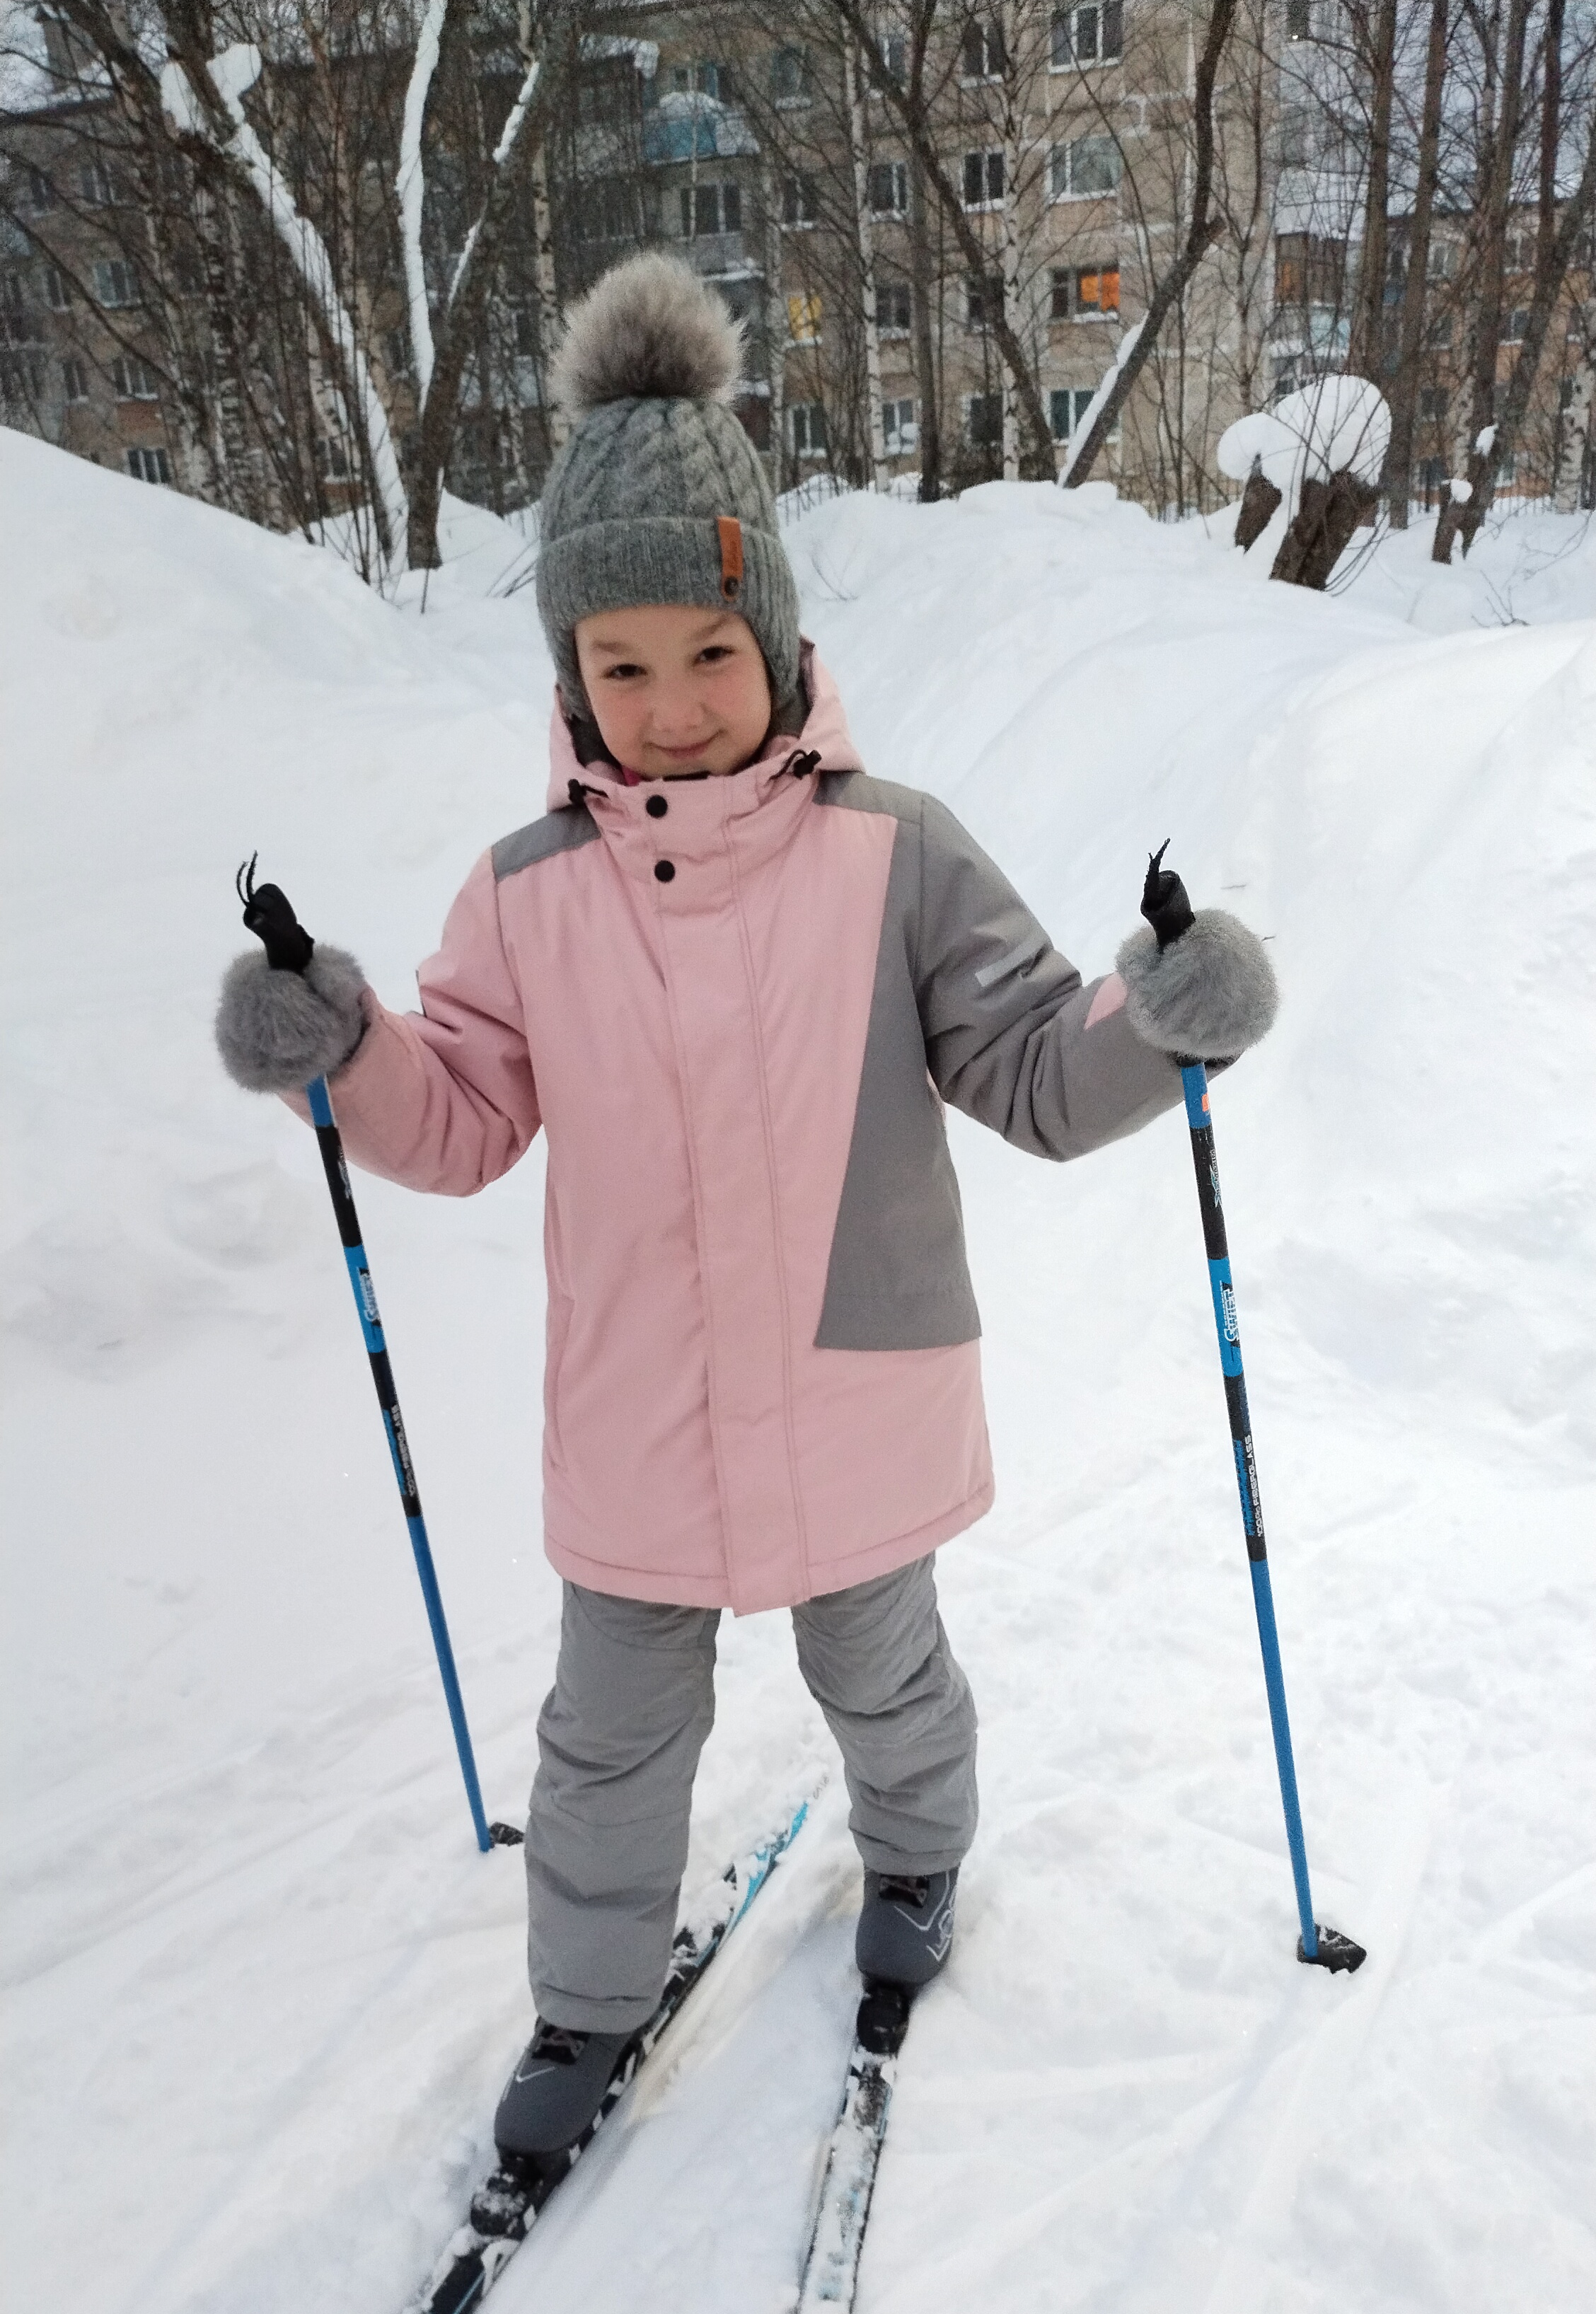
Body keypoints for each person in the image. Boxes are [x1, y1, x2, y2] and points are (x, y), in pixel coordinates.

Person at [216, 255, 1278, 2167]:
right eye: (620, 667)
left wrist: (1161, 1016)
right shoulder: (527, 893)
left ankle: (919, 1857)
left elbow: (1035, 1068)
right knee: (609, 1733)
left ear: (776, 639)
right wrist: (345, 1045)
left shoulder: (897, 852)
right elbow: (461, 1116)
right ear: (570, 680)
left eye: (709, 652)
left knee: (882, 1668)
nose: (673, 706)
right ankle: (585, 2002)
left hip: (855, 1374)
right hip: (640, 1406)